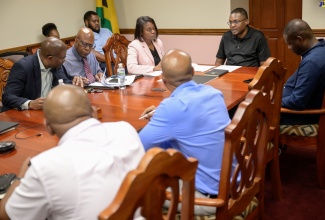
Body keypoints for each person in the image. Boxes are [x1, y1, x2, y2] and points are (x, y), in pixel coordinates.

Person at [0, 85, 145, 220]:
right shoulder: (125, 129)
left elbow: (7, 216)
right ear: (94, 112)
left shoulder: (45, 167)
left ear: (48, 127)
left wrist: (21, 178)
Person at [138, 49, 232, 215]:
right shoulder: (214, 94)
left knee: (140, 180)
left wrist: (163, 116)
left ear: (163, 80)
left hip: (209, 199)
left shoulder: (171, 108)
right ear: (193, 73)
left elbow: (140, 148)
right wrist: (162, 116)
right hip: (235, 183)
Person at [2, 37, 83, 110]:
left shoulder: (56, 64)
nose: (64, 61)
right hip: (26, 115)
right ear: (50, 58)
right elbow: (7, 97)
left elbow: (64, 83)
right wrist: (30, 103)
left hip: (50, 111)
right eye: (62, 58)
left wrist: (74, 82)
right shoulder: (23, 67)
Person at [281, 19, 325, 125]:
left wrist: (273, 100)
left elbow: (297, 102)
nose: (289, 48)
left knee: (252, 112)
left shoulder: (311, 62)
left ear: (300, 39)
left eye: (290, 44)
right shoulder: (320, 49)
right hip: (302, 108)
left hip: (301, 117)